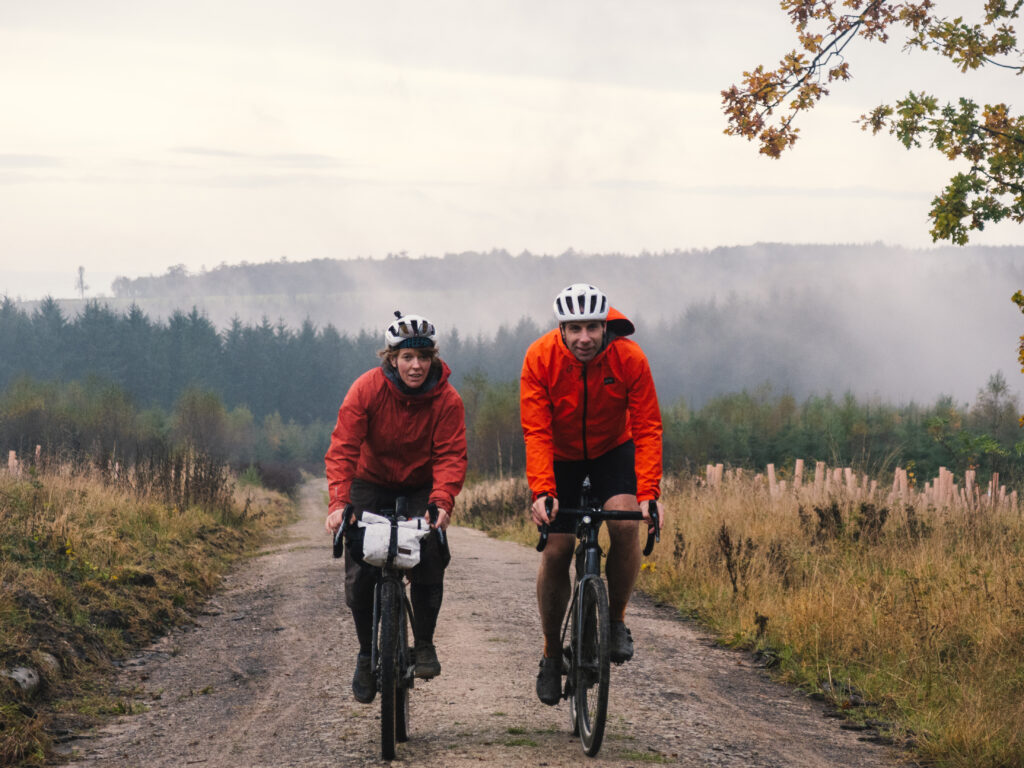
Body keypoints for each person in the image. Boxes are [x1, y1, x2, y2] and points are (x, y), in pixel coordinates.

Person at [519, 283, 664, 706]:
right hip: (560, 456)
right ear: (561, 329)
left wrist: (648, 493)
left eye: (593, 328)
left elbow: (648, 425)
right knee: (558, 548)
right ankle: (551, 653)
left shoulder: (629, 358)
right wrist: (543, 490)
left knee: (623, 521)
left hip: (611, 450)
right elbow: (536, 430)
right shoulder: (539, 357)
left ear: (606, 327)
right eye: (575, 328)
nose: (585, 338)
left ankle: (615, 621)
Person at [325, 311, 467, 704]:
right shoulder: (366, 389)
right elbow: (343, 448)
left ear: (434, 357)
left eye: (423, 357)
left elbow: (451, 456)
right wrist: (340, 503)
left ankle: (423, 643)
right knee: (360, 570)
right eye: (407, 357)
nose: (416, 365)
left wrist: (441, 502)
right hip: (369, 483)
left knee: (429, 555)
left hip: (421, 487)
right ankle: (366, 652)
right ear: (391, 358)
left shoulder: (447, 399)